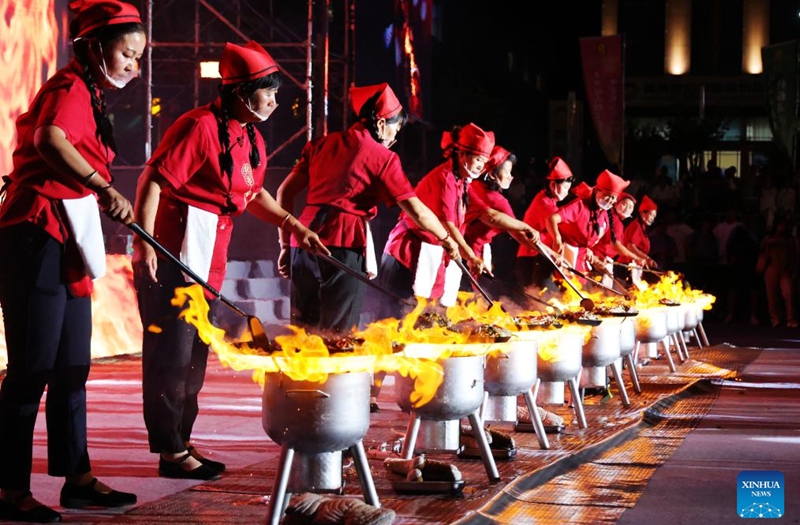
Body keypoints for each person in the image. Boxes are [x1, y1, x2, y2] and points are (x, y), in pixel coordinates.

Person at [131, 40, 327, 481]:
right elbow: (154, 180)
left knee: (196, 356)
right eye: (268, 92)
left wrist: (295, 227)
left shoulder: (250, 136)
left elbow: (253, 195)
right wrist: (143, 244)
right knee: (172, 355)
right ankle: (171, 450)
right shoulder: (198, 126)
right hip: (175, 255)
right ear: (240, 92)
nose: (277, 101)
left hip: (211, 259)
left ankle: (182, 441)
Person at [0, 1, 144, 521]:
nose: (134, 65)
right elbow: (48, 139)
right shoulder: (69, 88)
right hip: (36, 235)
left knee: (71, 367)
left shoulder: (91, 93)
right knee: (30, 370)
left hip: (67, 240)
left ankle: (77, 477)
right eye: (126, 53)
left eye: (137, 56)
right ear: (93, 47)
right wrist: (104, 186)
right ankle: (8, 489)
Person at [275, 83, 458, 334]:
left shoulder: (319, 144)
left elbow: (284, 192)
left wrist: (285, 244)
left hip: (301, 240)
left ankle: (294, 375)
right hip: (343, 242)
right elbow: (417, 211)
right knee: (338, 334)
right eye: (396, 128)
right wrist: (447, 239)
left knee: (302, 332)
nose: (395, 137)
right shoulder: (383, 158)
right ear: (381, 123)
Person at [379, 123, 537, 315]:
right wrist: (471, 256)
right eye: (478, 159)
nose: (481, 166)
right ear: (462, 155)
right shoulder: (445, 178)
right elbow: (448, 226)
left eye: (484, 161)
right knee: (398, 319)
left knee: (429, 318)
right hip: (407, 254)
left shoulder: (462, 182)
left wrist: (471, 256)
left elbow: (486, 214)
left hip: (433, 254)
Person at [463, 145, 540, 285]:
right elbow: (519, 234)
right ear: (492, 174)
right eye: (508, 172)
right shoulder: (497, 201)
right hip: (469, 253)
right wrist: (552, 255)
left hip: (465, 250)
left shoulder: (471, 185)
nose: (511, 177)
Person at [551, 169, 630, 277]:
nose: (610, 200)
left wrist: (594, 257)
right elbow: (552, 219)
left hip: (580, 258)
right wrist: (557, 239)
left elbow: (589, 240)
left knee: (583, 289)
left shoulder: (605, 215)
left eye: (614, 198)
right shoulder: (580, 205)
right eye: (608, 195)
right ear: (597, 190)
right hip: (562, 254)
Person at [515, 156, 574, 292]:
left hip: (540, 256)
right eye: (565, 187)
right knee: (540, 300)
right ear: (553, 185)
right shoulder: (545, 204)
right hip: (531, 257)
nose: (567, 191)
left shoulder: (547, 200)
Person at [619, 195, 658, 286]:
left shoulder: (643, 227)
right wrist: (646, 258)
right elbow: (630, 246)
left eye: (654, 217)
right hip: (628, 264)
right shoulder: (636, 226)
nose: (652, 219)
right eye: (651, 215)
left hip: (636, 264)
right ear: (642, 213)